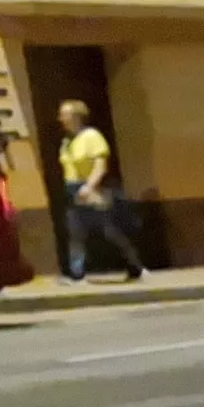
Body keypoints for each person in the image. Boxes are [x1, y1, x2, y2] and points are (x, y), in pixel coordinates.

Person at [51, 101, 142, 285]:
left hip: (91, 188)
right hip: (72, 189)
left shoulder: (92, 136)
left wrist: (90, 186)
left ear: (77, 116)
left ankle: (134, 265)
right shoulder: (67, 141)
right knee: (75, 231)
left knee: (109, 230)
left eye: (65, 114)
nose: (61, 119)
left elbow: (100, 166)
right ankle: (76, 274)